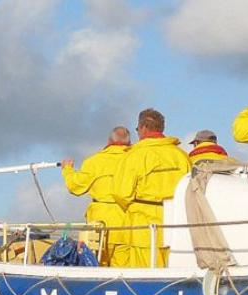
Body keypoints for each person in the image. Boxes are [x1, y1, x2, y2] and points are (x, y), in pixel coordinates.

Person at [111, 108, 190, 268]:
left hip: (144, 229)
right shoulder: (181, 156)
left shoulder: (134, 156)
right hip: (176, 225)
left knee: (144, 275)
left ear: (143, 128)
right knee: (175, 272)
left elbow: (121, 193)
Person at [62, 126, 131, 266]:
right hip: (127, 222)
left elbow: (75, 186)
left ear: (109, 140)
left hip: (100, 224)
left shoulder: (94, 161)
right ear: (129, 142)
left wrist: (67, 170)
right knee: (124, 269)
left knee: (98, 265)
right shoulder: (134, 160)